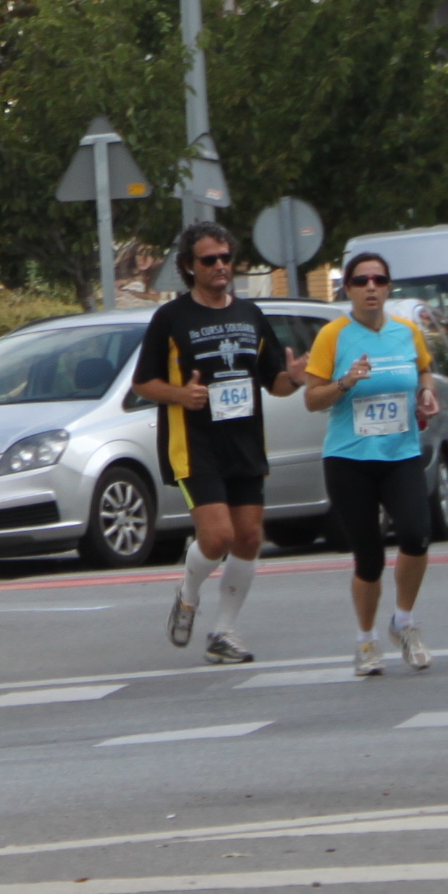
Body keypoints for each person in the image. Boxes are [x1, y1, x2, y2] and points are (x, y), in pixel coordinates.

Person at [128, 219, 302, 664]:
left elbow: (274, 383)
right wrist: (180, 395)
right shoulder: (171, 318)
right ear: (189, 266)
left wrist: (296, 378)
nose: (221, 266)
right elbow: (143, 382)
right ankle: (187, 593)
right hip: (195, 445)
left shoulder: (250, 315)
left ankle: (223, 632)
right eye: (210, 260)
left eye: (226, 258)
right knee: (218, 536)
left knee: (248, 537)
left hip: (244, 442)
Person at [304, 250, 443, 677]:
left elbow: (423, 371)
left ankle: (404, 622)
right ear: (347, 289)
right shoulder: (333, 336)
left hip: (400, 454)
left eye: (379, 281)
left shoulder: (406, 332)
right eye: (361, 281)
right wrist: (345, 382)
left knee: (417, 536)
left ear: (387, 288)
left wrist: (426, 392)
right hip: (349, 459)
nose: (371, 288)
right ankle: (366, 641)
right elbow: (312, 399)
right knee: (369, 558)